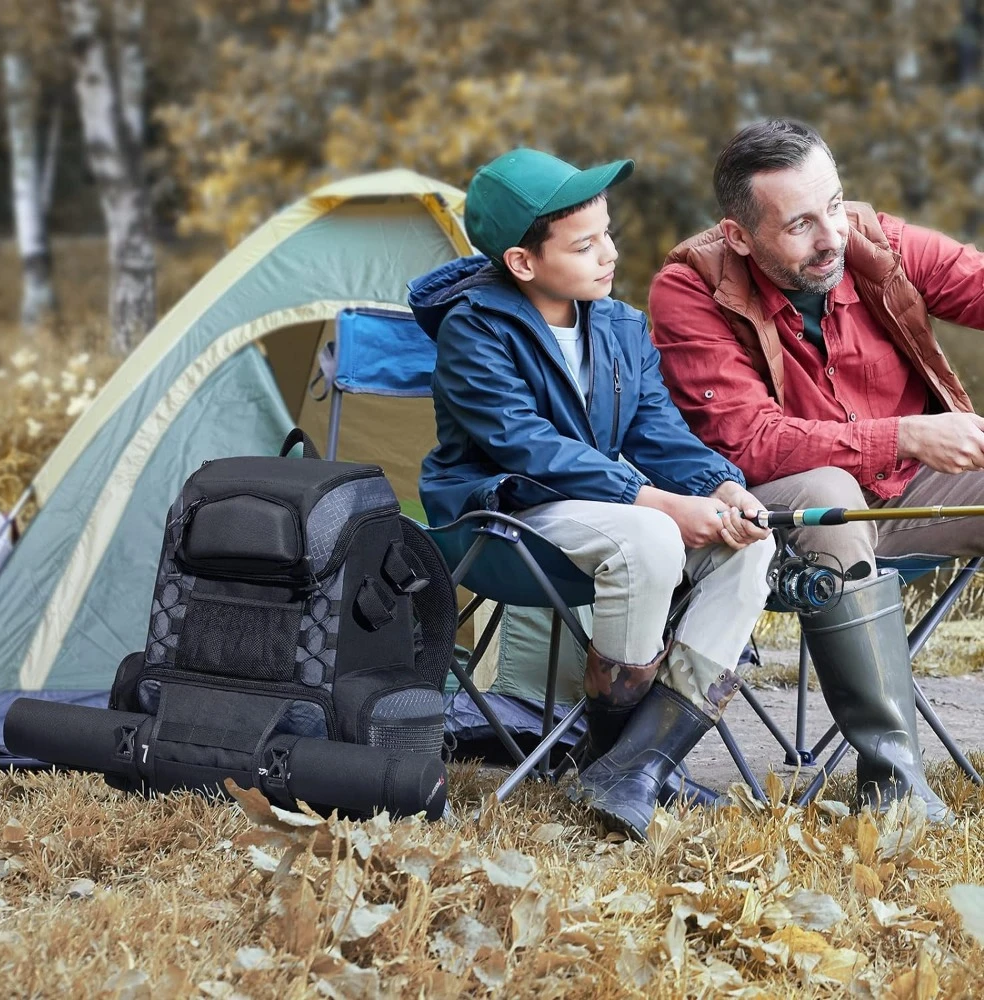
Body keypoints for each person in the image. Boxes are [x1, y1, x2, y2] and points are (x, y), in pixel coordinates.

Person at [408, 147, 775, 839]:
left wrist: (724, 488)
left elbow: (661, 435)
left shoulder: (618, 326)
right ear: (523, 262)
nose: (608, 253)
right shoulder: (474, 329)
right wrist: (661, 503)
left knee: (750, 550)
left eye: (607, 233)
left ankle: (637, 767)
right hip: (499, 519)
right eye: (584, 245)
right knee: (651, 535)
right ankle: (610, 755)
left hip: (605, 516)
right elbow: (525, 446)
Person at [649, 118, 984, 823]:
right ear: (740, 235)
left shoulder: (874, 242)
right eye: (800, 223)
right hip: (774, 522)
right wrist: (909, 434)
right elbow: (753, 440)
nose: (831, 235)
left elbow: (975, 283)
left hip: (901, 496)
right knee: (830, 489)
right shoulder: (688, 290)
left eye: (833, 204)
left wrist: (909, 445)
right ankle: (893, 784)